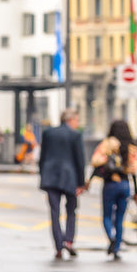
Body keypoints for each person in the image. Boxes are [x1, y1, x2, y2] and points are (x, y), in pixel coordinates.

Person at [38, 108, 87, 260]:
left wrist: (42, 175)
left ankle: (58, 246)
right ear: (71, 120)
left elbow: (42, 157)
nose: (77, 124)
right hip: (69, 178)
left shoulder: (48, 133)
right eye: (77, 120)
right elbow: (80, 160)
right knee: (71, 210)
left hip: (50, 177)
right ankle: (69, 241)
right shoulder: (75, 135)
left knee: (54, 212)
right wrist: (81, 183)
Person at [89, 120, 137, 259]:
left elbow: (95, 161)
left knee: (106, 215)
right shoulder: (132, 146)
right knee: (120, 218)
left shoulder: (107, 144)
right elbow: (135, 169)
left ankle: (111, 237)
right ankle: (116, 248)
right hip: (125, 185)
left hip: (110, 184)